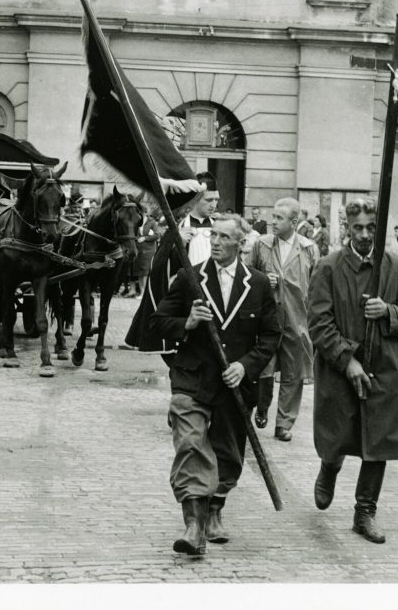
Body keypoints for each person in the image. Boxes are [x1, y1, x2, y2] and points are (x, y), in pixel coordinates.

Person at [149, 214, 280, 556]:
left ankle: (214, 509)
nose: (217, 242)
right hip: (192, 378)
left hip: (233, 384)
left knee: (228, 450)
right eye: (213, 235)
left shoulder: (260, 283)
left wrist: (245, 365)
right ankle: (193, 525)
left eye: (225, 237)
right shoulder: (190, 278)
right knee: (190, 443)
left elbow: (270, 337)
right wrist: (187, 323)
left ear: (240, 243)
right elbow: (157, 322)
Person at [308, 198, 398, 544]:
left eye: (372, 228)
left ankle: (365, 512)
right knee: (338, 432)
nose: (364, 235)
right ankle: (330, 466)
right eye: (357, 228)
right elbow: (319, 323)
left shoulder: (396, 267)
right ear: (347, 228)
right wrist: (347, 360)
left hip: (384, 365)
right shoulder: (328, 267)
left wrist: (388, 311)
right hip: (339, 367)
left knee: (380, 440)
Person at [248, 197, 319, 441]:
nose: (273, 221)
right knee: (263, 369)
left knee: (293, 373)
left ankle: (284, 424)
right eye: (273, 216)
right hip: (266, 318)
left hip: (297, 319)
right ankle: (262, 405)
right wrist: (261, 279)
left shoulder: (309, 248)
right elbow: (246, 275)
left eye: (279, 218)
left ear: (294, 221)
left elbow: (318, 286)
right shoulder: (262, 244)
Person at [179, 172, 219, 265]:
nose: (214, 205)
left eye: (216, 200)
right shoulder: (179, 227)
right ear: (195, 199)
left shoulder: (219, 227)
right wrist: (178, 245)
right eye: (209, 200)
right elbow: (163, 266)